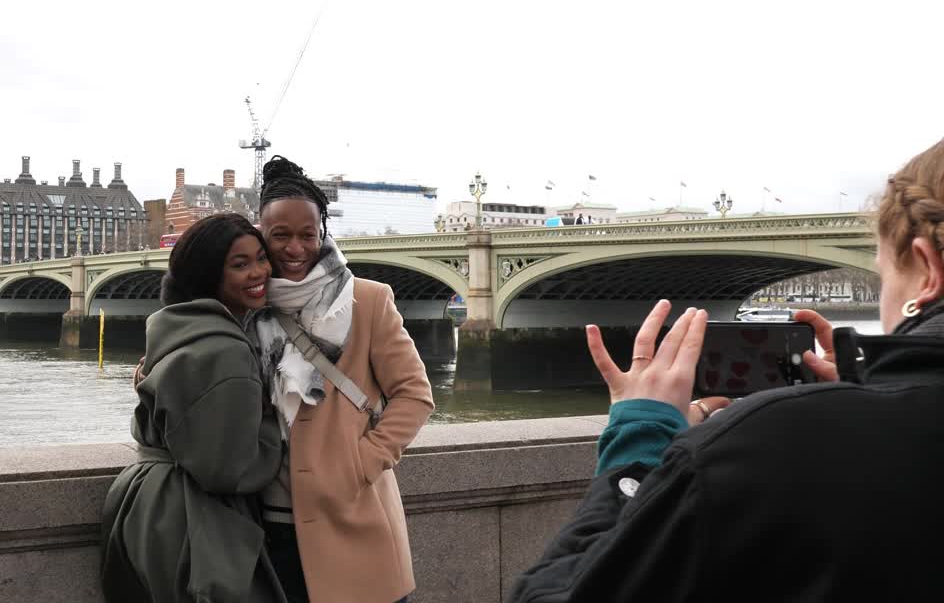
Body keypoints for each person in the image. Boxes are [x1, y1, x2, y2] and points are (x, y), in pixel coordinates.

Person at [509, 137, 944, 602]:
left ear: (926, 268)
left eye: (882, 273)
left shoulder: (767, 442)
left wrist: (640, 432)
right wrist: (867, 401)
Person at [252, 156, 435, 603]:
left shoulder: (368, 301)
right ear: (260, 236)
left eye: (306, 235)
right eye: (280, 236)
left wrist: (364, 462)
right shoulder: (244, 306)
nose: (294, 248)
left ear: (322, 234)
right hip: (264, 528)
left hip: (354, 518)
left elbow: (414, 394)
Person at [101, 213, 287, 603]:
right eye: (240, 264)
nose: (259, 272)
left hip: (142, 506)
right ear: (208, 275)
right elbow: (226, 471)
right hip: (193, 519)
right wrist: (274, 420)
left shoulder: (175, 328)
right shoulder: (227, 350)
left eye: (260, 258)